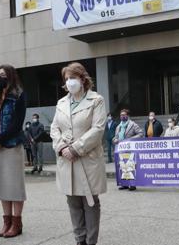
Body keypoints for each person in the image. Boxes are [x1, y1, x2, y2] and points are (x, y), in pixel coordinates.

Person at [50, 62, 107, 245]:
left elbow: (98, 129)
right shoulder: (61, 103)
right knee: (73, 201)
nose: (69, 82)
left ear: (82, 79)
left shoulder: (96, 100)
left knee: (89, 202)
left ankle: (90, 241)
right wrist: (61, 148)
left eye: (73, 78)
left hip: (87, 158)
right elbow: (54, 128)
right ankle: (79, 240)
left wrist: (75, 148)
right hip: (67, 161)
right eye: (66, 79)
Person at [0, 65, 27, 238]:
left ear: (11, 76)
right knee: (1, 186)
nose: (1, 77)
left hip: (12, 146)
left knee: (14, 186)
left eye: (4, 75)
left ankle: (17, 222)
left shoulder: (18, 95)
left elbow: (17, 123)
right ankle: (6, 222)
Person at [113, 109, 143, 191]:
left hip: (130, 149)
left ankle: (132, 185)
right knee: (122, 166)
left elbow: (140, 133)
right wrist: (114, 140)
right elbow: (116, 137)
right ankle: (124, 184)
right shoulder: (118, 126)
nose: (122, 116)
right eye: (121, 115)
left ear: (127, 116)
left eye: (124, 115)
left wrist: (130, 139)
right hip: (121, 150)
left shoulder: (133, 125)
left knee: (131, 166)